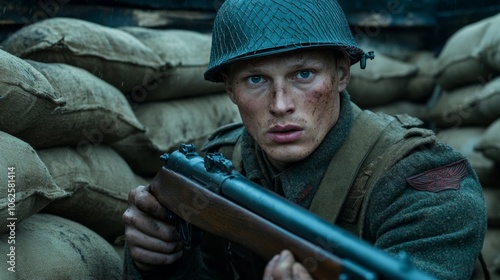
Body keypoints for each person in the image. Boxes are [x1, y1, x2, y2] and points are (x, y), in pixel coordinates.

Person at [122, 0, 487, 279]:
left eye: (304, 74)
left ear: (341, 74)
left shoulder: (421, 178)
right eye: (256, 80)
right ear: (230, 89)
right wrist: (156, 259)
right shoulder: (215, 164)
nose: (280, 105)